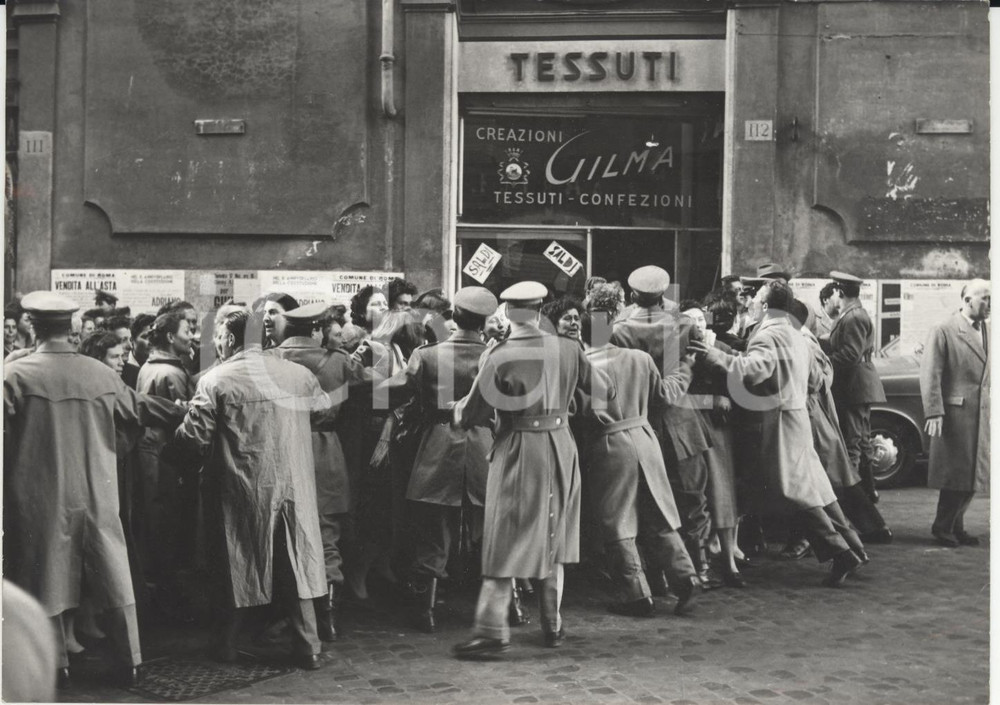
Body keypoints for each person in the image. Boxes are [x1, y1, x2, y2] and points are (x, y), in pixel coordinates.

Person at [4, 291, 185, 687]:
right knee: (114, 574)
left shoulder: (14, 376)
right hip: (98, 491)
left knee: (44, 576)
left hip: (38, 495)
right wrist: (183, 410)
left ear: (31, 326)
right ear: (70, 328)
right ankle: (131, 661)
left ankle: (56, 665)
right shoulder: (100, 373)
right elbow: (140, 408)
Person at [451, 281, 611, 659]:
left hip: (520, 447)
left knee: (504, 536)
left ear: (508, 312)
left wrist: (457, 408)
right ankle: (552, 625)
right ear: (539, 311)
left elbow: (471, 414)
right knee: (552, 533)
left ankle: (492, 631)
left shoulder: (501, 354)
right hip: (562, 445)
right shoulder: (570, 347)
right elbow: (607, 390)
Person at [165, 309, 332, 670]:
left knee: (237, 562)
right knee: (295, 563)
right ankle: (310, 647)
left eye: (220, 337)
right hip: (292, 482)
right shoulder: (298, 375)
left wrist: (176, 431)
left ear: (229, 339)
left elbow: (194, 439)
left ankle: (225, 644)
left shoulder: (217, 380)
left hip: (240, 485)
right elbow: (321, 410)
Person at [689, 281, 869, 587]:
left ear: (767, 305)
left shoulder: (769, 334)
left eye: (757, 299)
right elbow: (812, 377)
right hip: (798, 416)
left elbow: (751, 370)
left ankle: (841, 552)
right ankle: (854, 547)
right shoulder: (795, 332)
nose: (752, 303)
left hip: (778, 422)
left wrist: (710, 355)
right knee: (816, 489)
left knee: (795, 493)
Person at [381, 286, 498, 632]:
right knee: (488, 530)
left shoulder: (427, 354)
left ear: (454, 318)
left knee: (434, 530)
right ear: (484, 321)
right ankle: (506, 607)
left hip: (438, 445)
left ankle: (425, 608)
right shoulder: (496, 354)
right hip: (485, 445)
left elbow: (393, 391)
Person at [581, 289, 702, 615]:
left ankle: (637, 595)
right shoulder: (640, 359)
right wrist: (685, 367)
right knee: (658, 514)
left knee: (617, 522)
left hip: (609, 443)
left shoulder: (583, 367)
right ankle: (686, 579)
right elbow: (664, 396)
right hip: (646, 439)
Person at [269, 301, 370, 641]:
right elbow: (379, 388)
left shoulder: (271, 359)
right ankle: (327, 614)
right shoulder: (340, 362)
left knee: (283, 533)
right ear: (316, 330)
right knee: (327, 533)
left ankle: (291, 611)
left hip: (282, 449)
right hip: (325, 450)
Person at [610, 266, 715, 586]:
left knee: (649, 504)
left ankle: (659, 577)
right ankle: (700, 568)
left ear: (632, 296)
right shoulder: (683, 325)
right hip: (683, 423)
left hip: (642, 423)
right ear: (663, 295)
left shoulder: (618, 329)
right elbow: (702, 364)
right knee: (693, 500)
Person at [134, 311, 197, 619]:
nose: (193, 335)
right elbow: (185, 423)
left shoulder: (151, 366)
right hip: (164, 457)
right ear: (171, 337)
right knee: (165, 523)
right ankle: (169, 597)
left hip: (152, 454)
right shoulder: (170, 374)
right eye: (188, 330)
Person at [920, 279, 990, 548]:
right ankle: (943, 527)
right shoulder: (944, 329)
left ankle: (955, 525)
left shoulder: (988, 330)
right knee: (955, 475)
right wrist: (934, 412)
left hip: (981, 414)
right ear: (967, 300)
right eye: (985, 298)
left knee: (973, 475)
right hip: (955, 415)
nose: (990, 304)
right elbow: (930, 374)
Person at [822, 272, 886, 503]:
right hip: (857, 386)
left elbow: (850, 354)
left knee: (852, 445)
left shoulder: (853, 317)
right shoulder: (853, 314)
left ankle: (854, 505)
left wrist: (823, 362)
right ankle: (868, 493)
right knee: (861, 441)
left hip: (854, 386)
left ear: (839, 292)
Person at [123, 313, 156, 389]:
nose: (151, 342)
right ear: (132, 339)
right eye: (145, 337)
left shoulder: (161, 367)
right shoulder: (121, 366)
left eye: (155, 336)